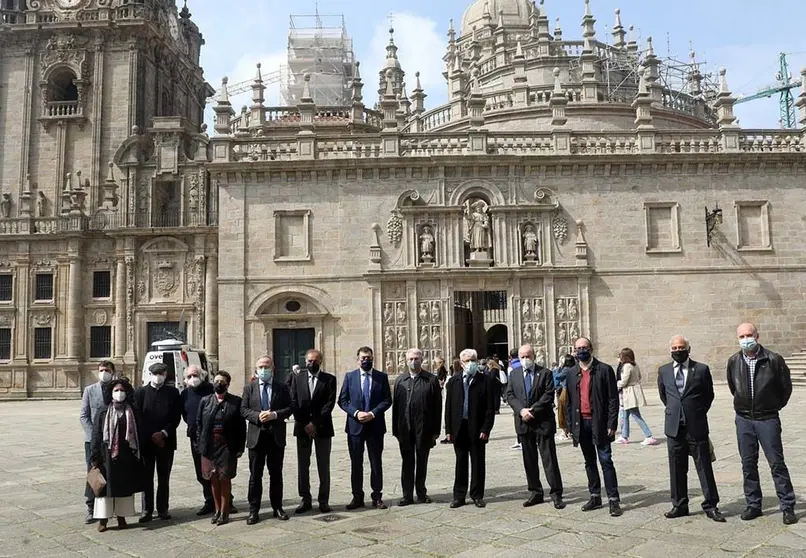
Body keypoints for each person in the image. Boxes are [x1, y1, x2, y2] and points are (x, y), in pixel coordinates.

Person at [727, 323, 797, 525]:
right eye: (742, 336)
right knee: (748, 463)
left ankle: (787, 505)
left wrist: (772, 406)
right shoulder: (734, 361)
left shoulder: (773, 359)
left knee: (776, 463)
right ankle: (753, 504)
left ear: (757, 336)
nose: (746, 339)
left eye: (749, 335)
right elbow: (734, 387)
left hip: (767, 419)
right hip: (744, 420)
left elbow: (786, 388)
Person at [658, 336, 725, 522]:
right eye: (674, 348)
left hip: (696, 426)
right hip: (674, 428)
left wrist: (695, 412)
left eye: (681, 347)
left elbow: (708, 395)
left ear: (688, 349)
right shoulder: (664, 371)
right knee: (676, 468)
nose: (678, 350)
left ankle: (711, 505)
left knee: (704, 466)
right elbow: (665, 396)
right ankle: (679, 505)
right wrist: (676, 412)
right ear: (670, 350)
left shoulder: (701, 369)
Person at [564, 337, 623, 517]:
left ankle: (613, 500)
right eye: (578, 348)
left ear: (591, 349)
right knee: (589, 462)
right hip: (581, 423)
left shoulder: (604, 370)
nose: (581, 350)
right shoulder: (571, 372)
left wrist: (612, 424)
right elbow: (568, 401)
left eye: (585, 347)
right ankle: (595, 496)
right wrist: (568, 424)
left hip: (599, 423)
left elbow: (613, 399)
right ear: (574, 351)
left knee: (606, 461)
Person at [506, 344, 565, 510]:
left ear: (534, 356)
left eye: (528, 356)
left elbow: (548, 394)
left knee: (549, 459)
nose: (525, 359)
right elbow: (509, 395)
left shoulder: (545, 373)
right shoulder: (515, 374)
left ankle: (556, 493)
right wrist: (521, 410)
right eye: (522, 357)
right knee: (529, 460)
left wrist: (533, 410)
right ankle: (535, 492)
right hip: (524, 422)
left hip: (542, 422)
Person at [338, 347, 393, 510]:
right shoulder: (350, 377)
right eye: (362, 358)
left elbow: (387, 400)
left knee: (376, 462)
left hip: (375, 426)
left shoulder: (381, 377)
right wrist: (356, 413)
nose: (365, 360)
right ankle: (357, 497)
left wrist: (372, 413)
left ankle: (377, 496)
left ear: (373, 358)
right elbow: (343, 400)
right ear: (357, 359)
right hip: (355, 427)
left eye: (368, 358)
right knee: (356, 463)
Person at [241, 355, 293, 524]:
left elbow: (290, 407)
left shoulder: (282, 387)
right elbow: (243, 409)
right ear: (256, 369)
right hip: (256, 437)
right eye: (261, 367)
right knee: (255, 475)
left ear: (273, 368)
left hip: (275, 437)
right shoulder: (249, 388)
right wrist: (257, 416)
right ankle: (253, 510)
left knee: (276, 474)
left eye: (267, 366)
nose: (264, 369)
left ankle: (277, 507)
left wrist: (275, 414)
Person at [90, 377, 145, 532]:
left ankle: (122, 516)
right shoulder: (103, 411)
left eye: (122, 390)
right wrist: (94, 456)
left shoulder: (132, 411)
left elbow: (139, 432)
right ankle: (103, 519)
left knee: (124, 487)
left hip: (126, 456)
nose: (119, 393)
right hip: (106, 456)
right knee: (105, 489)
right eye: (116, 390)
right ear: (110, 393)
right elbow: (96, 434)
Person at [392, 347, 442, 506]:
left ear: (422, 360)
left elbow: (437, 407)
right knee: (407, 462)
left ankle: (421, 493)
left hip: (424, 428)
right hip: (405, 429)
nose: (414, 362)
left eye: (417, 359)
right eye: (411, 359)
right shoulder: (401, 380)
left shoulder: (431, 380)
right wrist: (395, 429)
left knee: (422, 461)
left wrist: (436, 430)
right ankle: (407, 495)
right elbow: (396, 407)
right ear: (406, 361)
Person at [446, 349, 495, 508]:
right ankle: (459, 495)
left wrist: (486, 429)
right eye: (467, 361)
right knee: (460, 462)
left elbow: (490, 407)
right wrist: (448, 430)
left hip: (477, 427)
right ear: (461, 363)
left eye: (473, 360)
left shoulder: (485, 380)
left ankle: (477, 494)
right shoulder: (454, 381)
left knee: (478, 462)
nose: (471, 363)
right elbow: (449, 407)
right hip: (459, 428)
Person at [290, 348, 337, 514]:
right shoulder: (297, 379)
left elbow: (329, 404)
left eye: (315, 360)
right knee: (303, 465)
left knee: (323, 465)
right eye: (309, 361)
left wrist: (315, 423)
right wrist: (305, 423)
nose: (312, 363)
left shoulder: (329, 379)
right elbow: (293, 401)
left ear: (320, 361)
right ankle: (305, 499)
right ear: (305, 362)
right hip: (302, 428)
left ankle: (323, 500)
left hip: (322, 427)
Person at [134, 362, 182, 522]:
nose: (158, 376)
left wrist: (163, 433)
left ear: (165, 375)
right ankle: (146, 509)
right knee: (146, 477)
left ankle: (163, 509)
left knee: (164, 477)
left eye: (161, 373)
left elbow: (175, 417)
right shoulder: (140, 393)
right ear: (150, 374)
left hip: (166, 441)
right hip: (147, 443)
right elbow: (138, 417)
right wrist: (151, 435)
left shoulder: (173, 393)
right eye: (155, 373)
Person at [195, 371, 246, 525]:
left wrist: (240, 447)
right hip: (209, 445)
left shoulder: (236, 402)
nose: (218, 384)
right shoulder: (205, 401)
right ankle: (217, 510)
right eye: (216, 381)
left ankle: (225, 511)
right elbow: (199, 424)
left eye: (222, 382)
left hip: (227, 445)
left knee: (224, 478)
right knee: (213, 479)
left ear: (228, 384)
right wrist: (200, 443)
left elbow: (241, 427)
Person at [80, 360, 116, 523]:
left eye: (107, 370)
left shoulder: (118, 389)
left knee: (112, 473)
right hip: (93, 442)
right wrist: (94, 435)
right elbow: (84, 416)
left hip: (113, 440)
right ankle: (90, 507)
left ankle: (110, 508)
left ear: (113, 371)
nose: (104, 372)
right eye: (101, 370)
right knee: (94, 472)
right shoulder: (89, 390)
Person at [180, 365, 217, 516]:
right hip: (195, 436)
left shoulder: (210, 389)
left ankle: (225, 500)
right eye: (189, 377)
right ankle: (209, 501)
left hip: (213, 435)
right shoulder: (184, 394)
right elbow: (184, 413)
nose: (192, 379)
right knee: (201, 471)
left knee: (218, 469)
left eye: (195, 375)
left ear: (201, 375)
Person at [615, 349, 658, 446]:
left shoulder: (626, 366)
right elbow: (639, 377)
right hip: (631, 392)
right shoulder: (635, 364)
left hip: (629, 393)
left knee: (635, 415)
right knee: (624, 415)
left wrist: (615, 385)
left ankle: (649, 436)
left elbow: (624, 381)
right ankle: (624, 436)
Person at [554, 355, 573, 442]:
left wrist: (559, 367)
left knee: (563, 411)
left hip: (565, 391)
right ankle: (569, 431)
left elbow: (557, 376)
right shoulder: (574, 367)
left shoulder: (566, 369)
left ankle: (566, 431)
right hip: (571, 391)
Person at [507, 348, 523, 451]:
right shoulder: (523, 364)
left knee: (518, 418)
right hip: (526, 394)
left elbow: (510, 383)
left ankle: (520, 440)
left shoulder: (511, 367)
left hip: (517, 395)